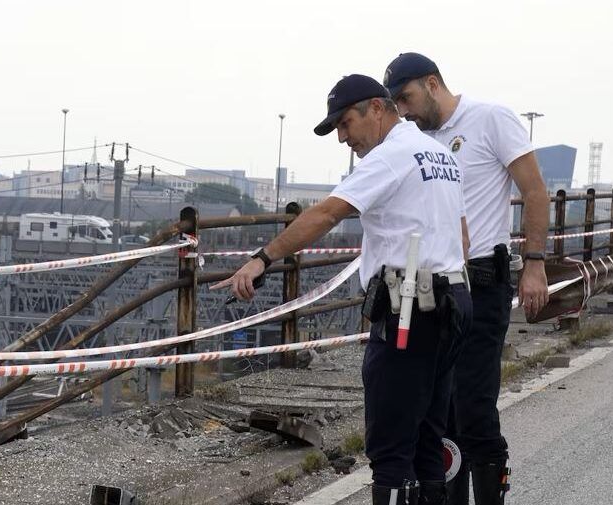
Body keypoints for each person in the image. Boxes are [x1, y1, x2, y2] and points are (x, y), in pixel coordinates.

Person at [214, 74, 470, 505]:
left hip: (410, 307)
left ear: (376, 107)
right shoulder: (438, 153)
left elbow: (329, 212)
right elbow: (461, 235)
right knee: (428, 443)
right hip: (450, 303)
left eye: (346, 123)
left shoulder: (391, 155)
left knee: (390, 449)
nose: (342, 138)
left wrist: (264, 257)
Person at [384, 52, 548, 505]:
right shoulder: (415, 140)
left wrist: (534, 263)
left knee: (473, 408)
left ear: (433, 84)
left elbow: (534, 191)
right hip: (433, 289)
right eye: (396, 104)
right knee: (436, 413)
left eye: (407, 98)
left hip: (483, 280)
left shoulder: (490, 119)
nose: (404, 110)